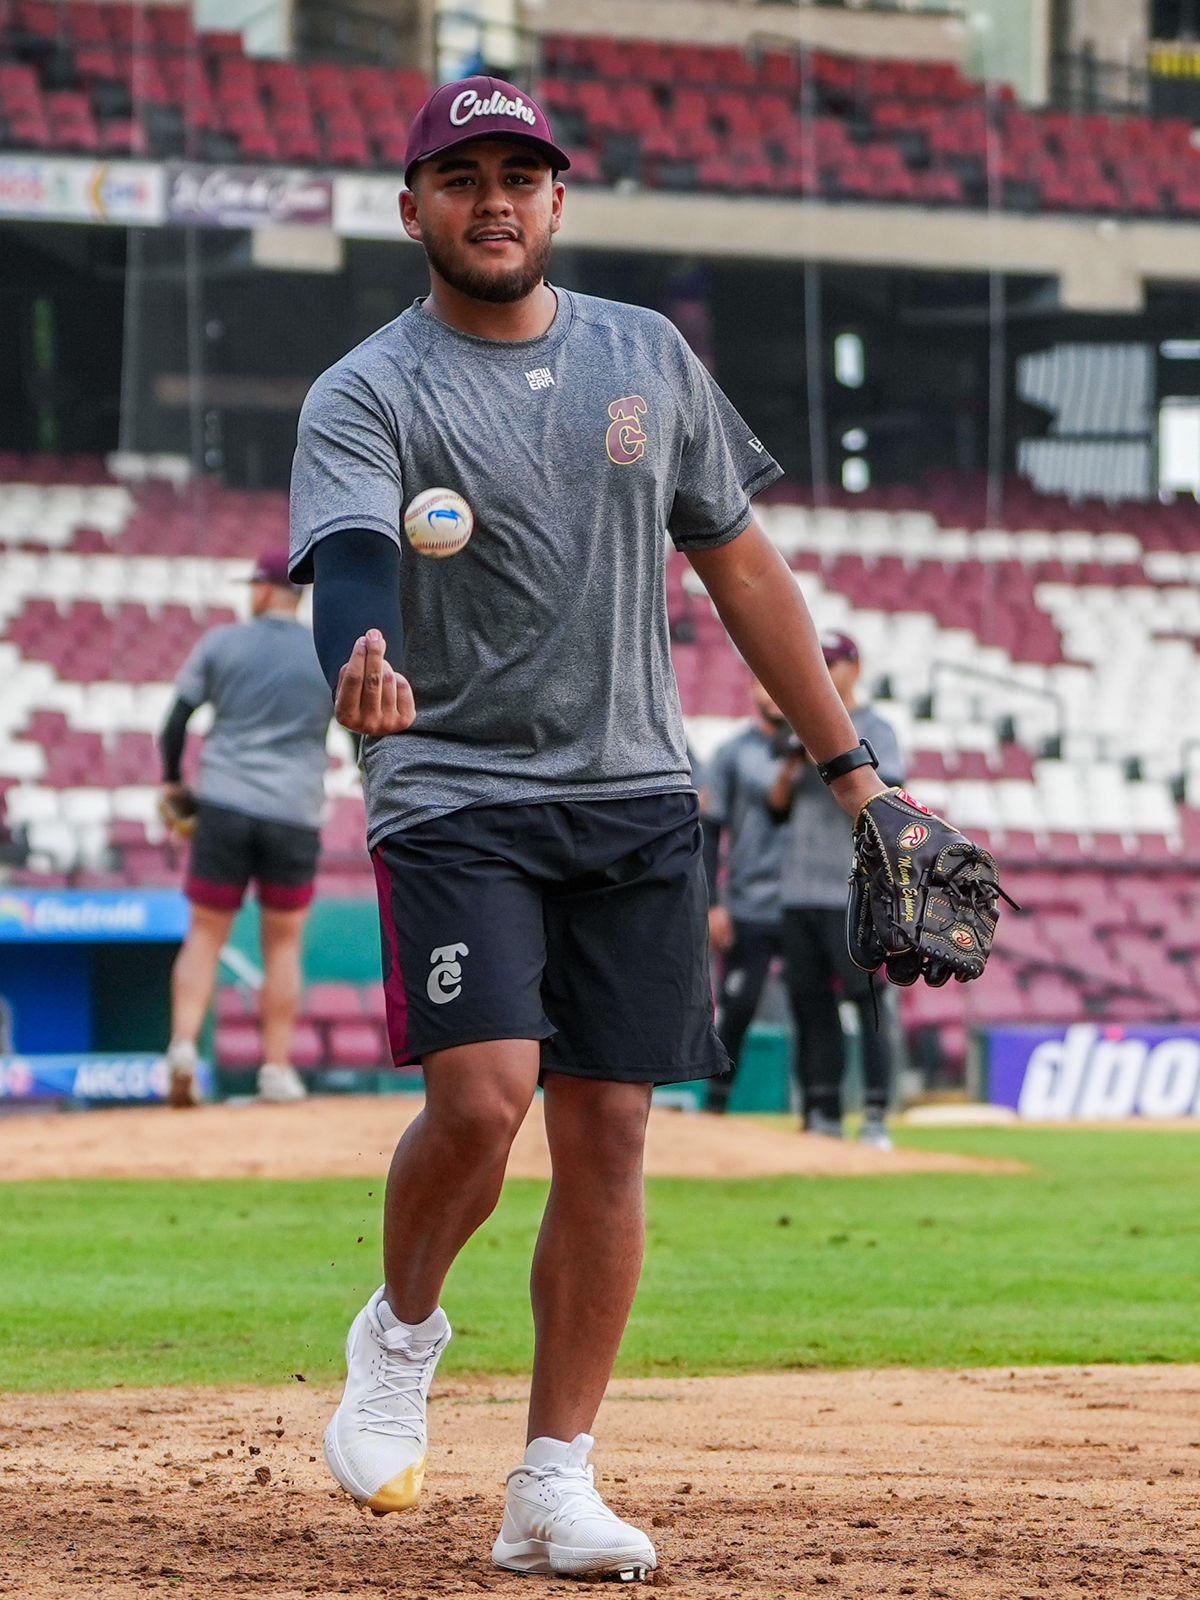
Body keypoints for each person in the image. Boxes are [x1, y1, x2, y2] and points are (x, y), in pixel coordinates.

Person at [291, 75, 899, 1583]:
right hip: (456, 787)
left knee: (613, 1130)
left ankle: (552, 1480)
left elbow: (744, 572)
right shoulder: (369, 387)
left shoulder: (648, 357)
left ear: (557, 200)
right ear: (412, 206)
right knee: (488, 1098)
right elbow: (356, 561)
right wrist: (358, 667)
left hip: (634, 787)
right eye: (462, 176)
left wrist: (854, 772)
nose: (493, 200)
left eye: (521, 174)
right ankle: (403, 1332)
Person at [158, 551, 331, 1108]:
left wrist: (170, 782)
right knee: (283, 943)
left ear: (263, 591)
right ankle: (276, 1070)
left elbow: (176, 721)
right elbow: (357, 737)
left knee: (206, 933)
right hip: (295, 810)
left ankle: (184, 1048)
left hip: (226, 802)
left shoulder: (222, 643)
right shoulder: (326, 651)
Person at [770, 631, 905, 1147]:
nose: (826, 671)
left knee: (867, 1000)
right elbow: (775, 808)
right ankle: (820, 1109)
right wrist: (789, 760)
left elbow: (884, 792)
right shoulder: (796, 728)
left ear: (856, 667)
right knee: (808, 1004)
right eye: (819, 662)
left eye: (834, 662)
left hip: (855, 892)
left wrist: (829, 756)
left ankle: (874, 1113)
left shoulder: (876, 729)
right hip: (798, 890)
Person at [700, 680, 789, 1113]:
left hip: (804, 902)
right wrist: (713, 903)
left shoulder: (816, 752)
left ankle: (820, 1113)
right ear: (752, 690)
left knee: (816, 1007)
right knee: (738, 1006)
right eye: (762, 685)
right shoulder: (732, 752)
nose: (771, 693)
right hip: (748, 902)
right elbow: (710, 832)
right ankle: (718, 1103)